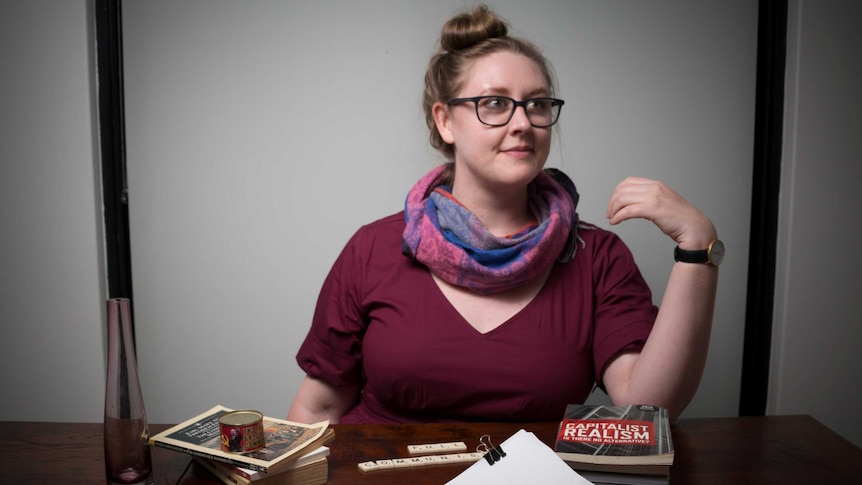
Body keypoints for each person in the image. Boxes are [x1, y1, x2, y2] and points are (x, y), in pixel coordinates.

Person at [287, 5, 719, 424]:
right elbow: (318, 409)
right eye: (494, 103)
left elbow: (647, 409)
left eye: (537, 104)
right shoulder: (373, 249)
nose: (523, 123)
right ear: (445, 122)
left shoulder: (596, 256)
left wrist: (697, 247)